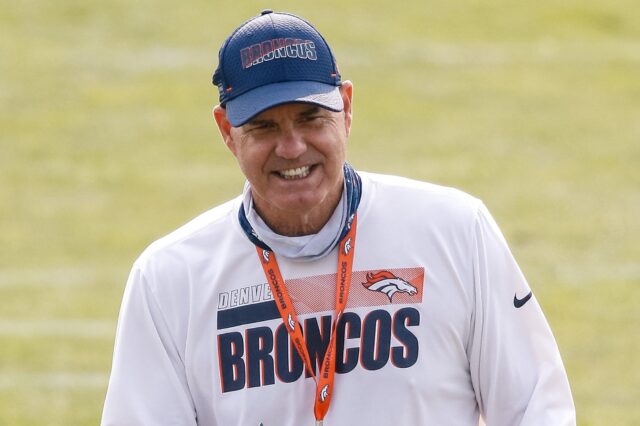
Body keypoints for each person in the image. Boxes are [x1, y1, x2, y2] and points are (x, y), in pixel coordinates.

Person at [102, 10, 576, 426]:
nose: (291, 148)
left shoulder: (456, 231)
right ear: (227, 131)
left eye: (311, 118)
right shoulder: (168, 279)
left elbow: (538, 407)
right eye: (264, 126)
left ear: (346, 108)